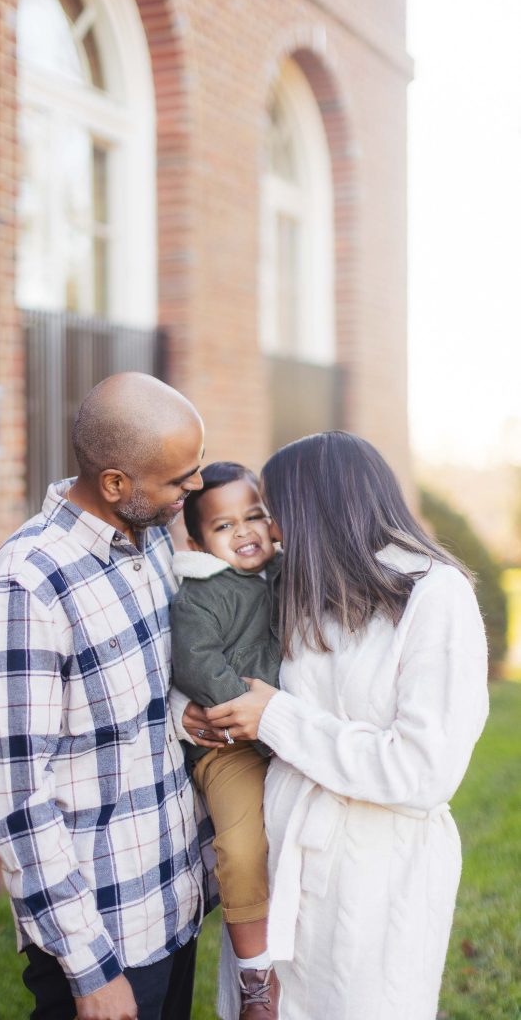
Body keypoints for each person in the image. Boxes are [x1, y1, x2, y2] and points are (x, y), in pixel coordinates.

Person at [202, 431, 489, 1020]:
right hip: (284, 845)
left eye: (274, 512)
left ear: (318, 508)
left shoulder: (435, 596)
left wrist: (277, 717)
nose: (270, 531)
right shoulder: (304, 589)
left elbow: (423, 770)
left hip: (375, 872)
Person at [0, 372, 210, 1020]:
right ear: (115, 485)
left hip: (172, 904)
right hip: (104, 933)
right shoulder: (26, 588)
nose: (196, 488)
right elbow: (15, 800)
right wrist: (88, 968)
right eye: (180, 479)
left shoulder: (151, 542)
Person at [170, 462, 281, 1020]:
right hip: (231, 744)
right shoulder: (202, 593)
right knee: (240, 849)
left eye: (254, 516)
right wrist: (253, 717)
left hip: (286, 732)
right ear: (196, 542)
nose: (244, 532)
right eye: (224, 526)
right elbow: (196, 664)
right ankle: (255, 978)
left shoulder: (288, 572)